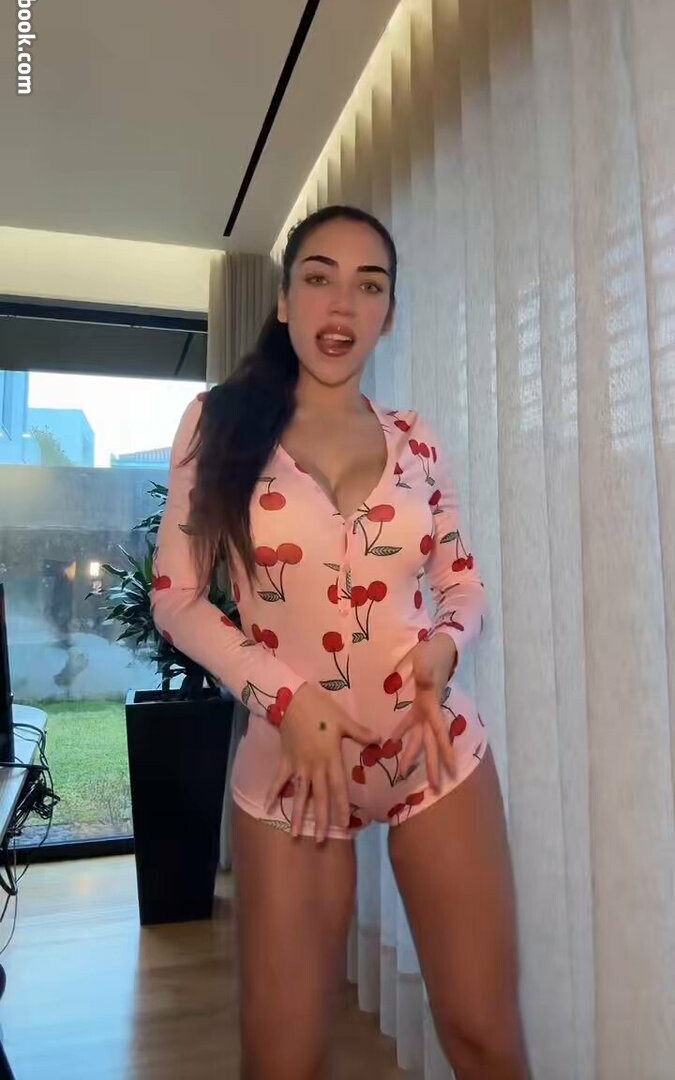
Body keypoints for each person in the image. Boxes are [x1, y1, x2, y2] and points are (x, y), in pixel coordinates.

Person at [152, 206, 528, 1080]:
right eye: (319, 278)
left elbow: (462, 585)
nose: (341, 304)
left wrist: (445, 647)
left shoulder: (415, 438)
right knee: (282, 1061)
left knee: (486, 1038)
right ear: (284, 301)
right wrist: (287, 700)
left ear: (388, 314)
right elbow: (177, 598)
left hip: (431, 750)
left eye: (369, 286)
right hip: (292, 768)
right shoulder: (217, 423)